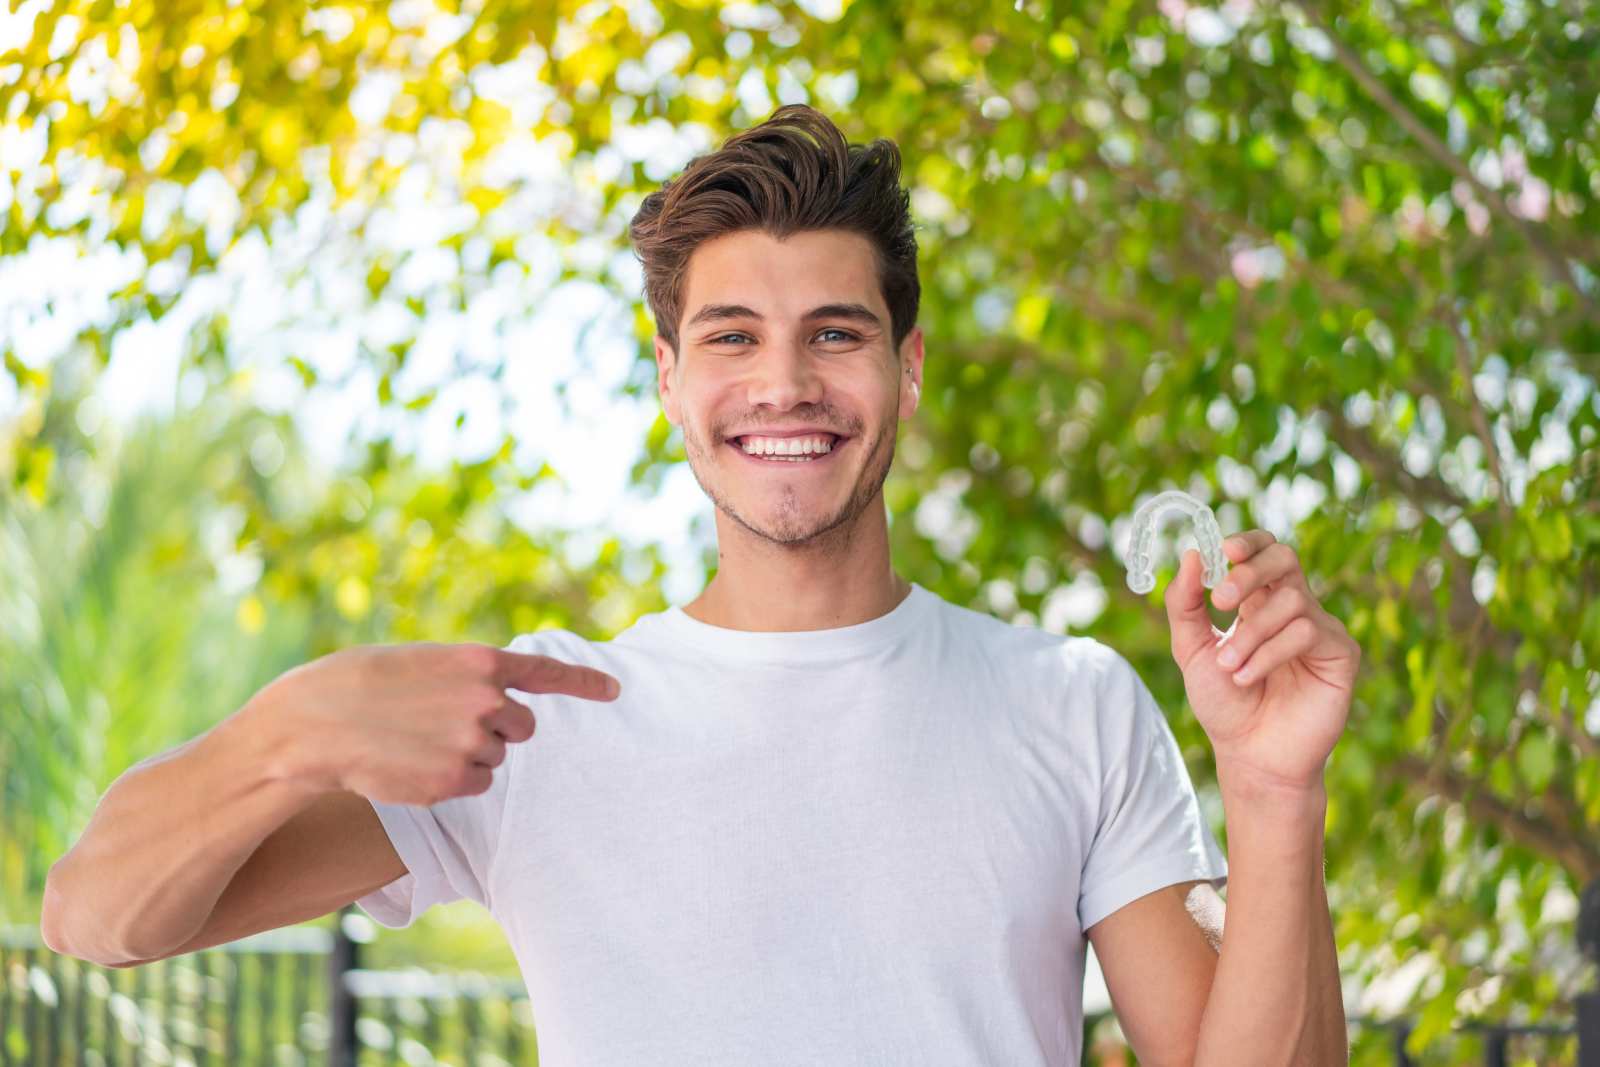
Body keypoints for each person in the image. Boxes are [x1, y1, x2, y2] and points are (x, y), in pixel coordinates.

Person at [43, 104, 1360, 1066]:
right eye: (733, 338)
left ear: (906, 369)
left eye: (833, 335)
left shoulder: (1070, 702)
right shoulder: (538, 719)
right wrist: (282, 735)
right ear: (671, 378)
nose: (785, 386)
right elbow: (96, 916)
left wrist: (1272, 789)